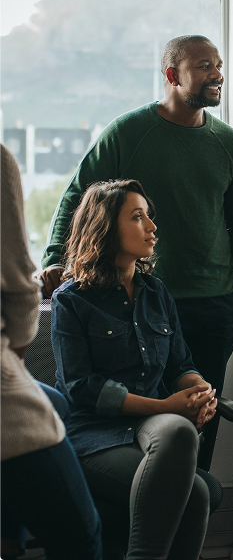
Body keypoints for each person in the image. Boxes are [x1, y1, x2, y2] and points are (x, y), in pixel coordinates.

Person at [39, 34, 233, 470]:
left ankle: (188, 511)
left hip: (215, 302)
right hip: (139, 300)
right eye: (204, 66)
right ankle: (138, 504)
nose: (218, 75)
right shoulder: (128, 133)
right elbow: (79, 196)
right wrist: (55, 259)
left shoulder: (229, 143)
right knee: (143, 418)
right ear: (172, 76)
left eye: (219, 65)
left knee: (198, 418)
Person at [52, 179, 222, 560]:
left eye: (150, 216)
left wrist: (197, 390)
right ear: (105, 226)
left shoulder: (156, 292)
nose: (152, 226)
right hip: (93, 435)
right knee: (194, 493)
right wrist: (168, 407)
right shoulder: (71, 301)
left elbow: (181, 364)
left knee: (180, 428)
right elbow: (81, 388)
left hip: (152, 428)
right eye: (137, 217)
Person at [0, 144, 102, 560]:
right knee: (81, 539)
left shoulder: (156, 296)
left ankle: (8, 542)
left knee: (55, 403)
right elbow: (23, 293)